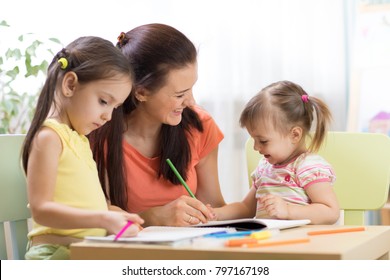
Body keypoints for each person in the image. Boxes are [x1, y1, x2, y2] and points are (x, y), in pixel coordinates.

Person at [89, 23, 225, 227]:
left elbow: (213, 207)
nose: (191, 101)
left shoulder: (199, 125)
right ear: (141, 92)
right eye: (180, 94)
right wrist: (151, 218)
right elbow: (94, 218)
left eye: (191, 88)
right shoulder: (98, 133)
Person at [21, 36, 144, 260]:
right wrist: (102, 218)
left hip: (84, 253)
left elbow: (90, 203)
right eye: (104, 101)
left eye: (115, 108)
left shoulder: (79, 139)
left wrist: (119, 216)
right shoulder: (49, 138)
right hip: (53, 256)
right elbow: (41, 209)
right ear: (70, 85)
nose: (108, 116)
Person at [211, 80, 340, 225]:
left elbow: (330, 211)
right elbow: (246, 207)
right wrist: (217, 214)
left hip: (303, 244)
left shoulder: (307, 167)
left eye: (263, 141)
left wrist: (288, 210)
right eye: (254, 139)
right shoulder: (265, 169)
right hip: (270, 244)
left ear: (295, 135)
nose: (256, 147)